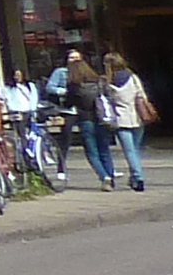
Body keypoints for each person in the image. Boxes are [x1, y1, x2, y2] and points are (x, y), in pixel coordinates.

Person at [64, 51, 121, 187]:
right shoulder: (99, 82)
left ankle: (104, 176)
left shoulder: (74, 86)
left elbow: (68, 103)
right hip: (102, 118)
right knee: (104, 149)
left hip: (85, 119)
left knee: (92, 152)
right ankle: (111, 175)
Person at [105, 56, 152, 193]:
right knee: (135, 149)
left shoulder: (108, 81)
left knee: (129, 151)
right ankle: (134, 178)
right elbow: (142, 96)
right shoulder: (133, 77)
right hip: (137, 117)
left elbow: (107, 101)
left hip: (121, 120)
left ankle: (138, 177)